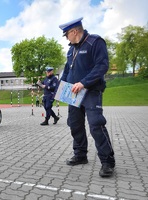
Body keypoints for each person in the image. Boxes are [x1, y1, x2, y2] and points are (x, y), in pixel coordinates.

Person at [59, 17, 115, 177]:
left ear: (74, 31)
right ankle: (80, 155)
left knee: (96, 124)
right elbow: (67, 71)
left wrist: (83, 82)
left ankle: (107, 162)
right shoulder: (71, 49)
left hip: (90, 91)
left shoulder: (95, 42)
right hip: (73, 93)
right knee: (74, 124)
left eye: (66, 35)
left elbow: (102, 66)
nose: (66, 39)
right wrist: (61, 88)